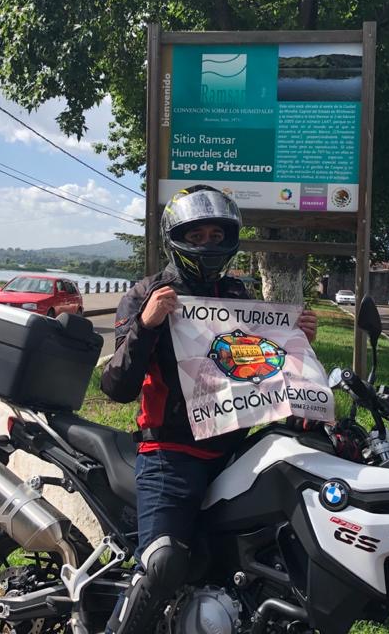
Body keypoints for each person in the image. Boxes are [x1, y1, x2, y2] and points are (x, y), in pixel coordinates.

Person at [99, 185, 317, 634]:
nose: (209, 244)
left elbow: (261, 369)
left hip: (237, 449)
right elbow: (116, 386)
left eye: (218, 235)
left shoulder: (239, 296)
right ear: (175, 237)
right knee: (162, 563)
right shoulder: (146, 295)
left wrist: (298, 342)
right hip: (171, 453)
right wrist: (147, 325)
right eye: (197, 235)